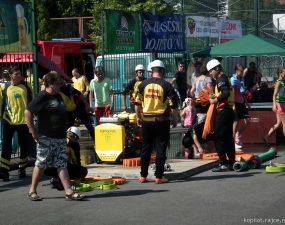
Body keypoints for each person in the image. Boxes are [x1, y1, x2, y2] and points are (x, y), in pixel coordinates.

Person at [25, 72, 85, 201]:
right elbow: (27, 112)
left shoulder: (57, 95)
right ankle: (32, 190)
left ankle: (68, 192)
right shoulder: (42, 97)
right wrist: (33, 131)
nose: (60, 85)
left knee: (61, 163)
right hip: (46, 136)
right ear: (50, 84)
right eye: (58, 83)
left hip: (59, 137)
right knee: (41, 163)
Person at [135, 60, 178, 184]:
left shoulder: (142, 85)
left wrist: (138, 117)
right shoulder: (167, 85)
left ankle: (143, 176)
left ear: (151, 71)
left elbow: (137, 103)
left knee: (145, 148)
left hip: (147, 120)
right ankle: (159, 177)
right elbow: (174, 104)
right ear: (162, 71)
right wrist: (175, 119)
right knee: (160, 149)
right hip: (162, 121)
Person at [0, 65, 33, 181]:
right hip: (8, 121)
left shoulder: (26, 85)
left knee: (24, 146)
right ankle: (4, 170)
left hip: (23, 121)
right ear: (10, 75)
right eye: (16, 74)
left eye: (19, 73)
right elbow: (1, 103)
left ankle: (22, 168)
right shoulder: (4, 87)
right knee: (6, 146)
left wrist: (32, 115)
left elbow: (32, 102)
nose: (19, 76)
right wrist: (0, 117)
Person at [206, 59, 235, 172]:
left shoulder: (221, 79)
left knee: (218, 137)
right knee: (228, 138)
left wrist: (216, 99)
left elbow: (226, 92)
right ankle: (231, 162)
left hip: (223, 111)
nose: (210, 73)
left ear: (217, 68)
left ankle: (223, 163)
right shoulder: (225, 78)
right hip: (228, 111)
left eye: (211, 71)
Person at [262, 67, 285, 146]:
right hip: (280, 104)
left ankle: (266, 136)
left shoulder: (282, 82)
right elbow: (274, 94)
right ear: (281, 73)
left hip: (282, 103)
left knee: (279, 124)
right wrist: (274, 105)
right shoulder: (279, 83)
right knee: (284, 123)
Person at [230, 64, 251, 149]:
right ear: (236, 71)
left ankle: (237, 134)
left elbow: (242, 93)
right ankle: (232, 142)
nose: (242, 73)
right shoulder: (233, 80)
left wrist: (247, 103)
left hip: (242, 102)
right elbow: (233, 93)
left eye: (242, 71)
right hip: (236, 102)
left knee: (247, 120)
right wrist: (234, 105)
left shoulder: (241, 79)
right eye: (241, 71)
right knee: (235, 122)